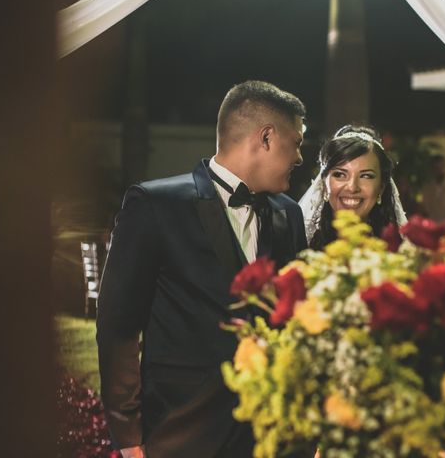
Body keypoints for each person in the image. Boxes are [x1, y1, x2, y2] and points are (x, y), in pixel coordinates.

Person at [97, 80, 309, 458]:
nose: (299, 157)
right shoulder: (154, 205)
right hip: (180, 432)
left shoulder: (288, 215)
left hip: (269, 439)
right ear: (266, 138)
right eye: (296, 142)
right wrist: (129, 438)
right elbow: (118, 326)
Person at [299, 125, 407, 249]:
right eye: (340, 174)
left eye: (366, 176)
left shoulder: (400, 252)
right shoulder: (301, 247)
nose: (352, 187)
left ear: (381, 188)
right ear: (324, 184)